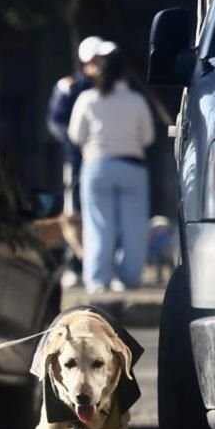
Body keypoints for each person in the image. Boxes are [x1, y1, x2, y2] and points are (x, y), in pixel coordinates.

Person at [67, 42, 154, 293]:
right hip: (133, 167)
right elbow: (147, 138)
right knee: (134, 226)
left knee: (98, 225)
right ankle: (129, 277)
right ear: (123, 72)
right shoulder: (137, 101)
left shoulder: (88, 99)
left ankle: (97, 279)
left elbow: (75, 135)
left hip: (97, 166)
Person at [45, 36, 103, 287]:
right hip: (76, 161)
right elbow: (55, 121)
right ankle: (76, 263)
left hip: (100, 158)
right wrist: (74, 141)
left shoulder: (107, 87)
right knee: (74, 212)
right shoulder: (68, 88)